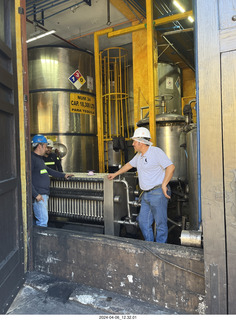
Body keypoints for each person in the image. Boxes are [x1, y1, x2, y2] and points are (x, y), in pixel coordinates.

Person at [108, 127, 175, 243]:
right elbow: (128, 165)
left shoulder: (156, 152)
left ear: (141, 143)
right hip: (146, 195)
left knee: (160, 224)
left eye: (134, 141)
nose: (133, 144)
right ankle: (150, 245)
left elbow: (171, 167)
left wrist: (164, 184)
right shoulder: (139, 156)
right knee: (143, 222)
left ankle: (160, 249)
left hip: (158, 192)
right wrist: (115, 174)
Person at [31, 134, 73, 227]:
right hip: (39, 195)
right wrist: (35, 194)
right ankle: (41, 241)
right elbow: (27, 178)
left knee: (41, 220)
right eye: (45, 146)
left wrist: (63, 175)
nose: (47, 149)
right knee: (42, 221)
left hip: (42, 194)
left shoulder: (39, 159)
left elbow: (48, 170)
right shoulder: (32, 159)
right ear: (39, 146)